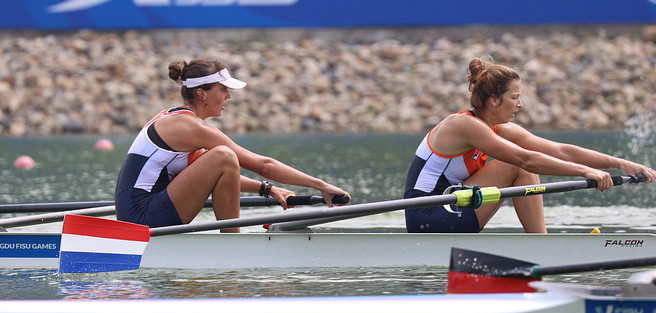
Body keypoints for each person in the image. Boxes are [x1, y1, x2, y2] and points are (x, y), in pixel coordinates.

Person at [404, 56, 656, 233]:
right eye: (514, 97)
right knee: (519, 166)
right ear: (493, 100)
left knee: (524, 162)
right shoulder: (462, 125)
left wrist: (622, 163)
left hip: (453, 207)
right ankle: (541, 245)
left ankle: (539, 243)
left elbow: (561, 150)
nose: (520, 104)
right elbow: (526, 160)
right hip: (426, 215)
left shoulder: (498, 129)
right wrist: (584, 172)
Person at [115, 57, 350, 233]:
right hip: (141, 219)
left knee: (221, 159)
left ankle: (231, 243)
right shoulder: (189, 127)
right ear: (202, 93)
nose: (228, 97)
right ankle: (232, 245)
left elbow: (215, 176)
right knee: (224, 156)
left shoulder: (176, 120)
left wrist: (267, 189)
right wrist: (321, 185)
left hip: (141, 213)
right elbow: (263, 165)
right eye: (223, 89)